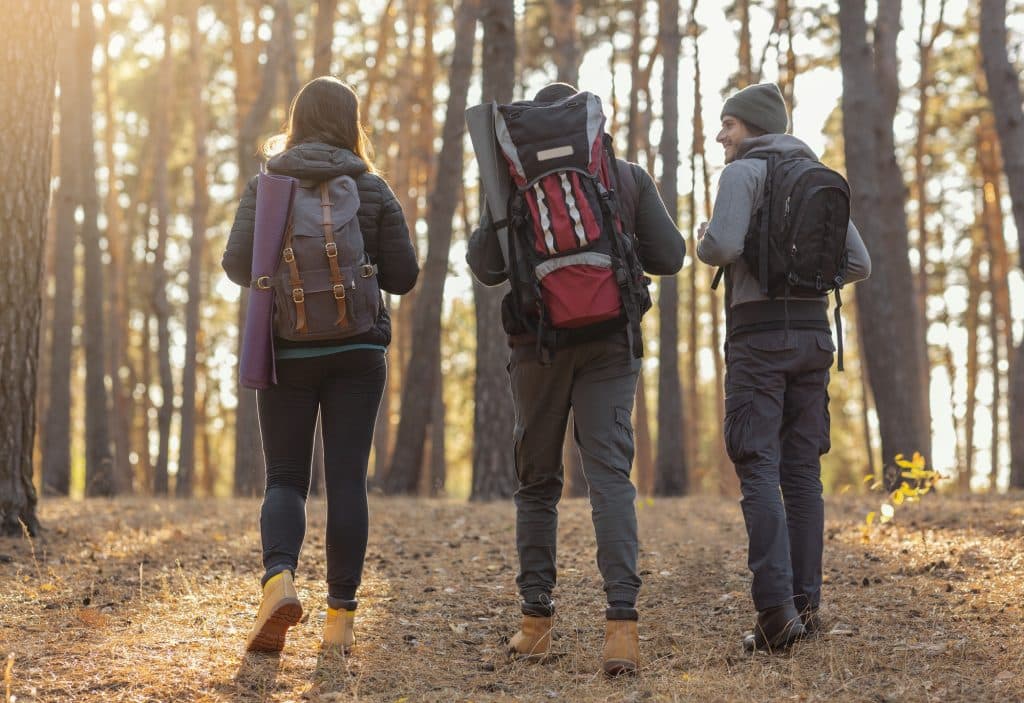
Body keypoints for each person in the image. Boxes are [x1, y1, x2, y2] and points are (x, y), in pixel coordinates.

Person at [467, 82, 685, 675]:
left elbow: (486, 268)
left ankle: (535, 625)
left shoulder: (511, 180)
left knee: (538, 484)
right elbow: (671, 257)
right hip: (612, 344)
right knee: (611, 479)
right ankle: (621, 631)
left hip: (536, 345)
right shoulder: (624, 175)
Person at [222, 76, 418, 655]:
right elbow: (404, 277)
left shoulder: (269, 185)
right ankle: (340, 622)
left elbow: (236, 265)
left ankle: (279, 580)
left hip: (286, 348)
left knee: (285, 477)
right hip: (358, 352)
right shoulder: (372, 186)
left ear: (297, 120)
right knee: (347, 480)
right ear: (351, 122)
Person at [696, 83, 871, 652]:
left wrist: (705, 238)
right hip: (815, 338)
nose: (721, 135)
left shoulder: (743, 173)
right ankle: (805, 607)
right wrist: (810, 286)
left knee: (758, 467)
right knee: (801, 474)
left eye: (728, 124)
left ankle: (774, 617)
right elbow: (859, 264)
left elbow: (721, 246)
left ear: (751, 126)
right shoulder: (816, 173)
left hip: (759, 338)